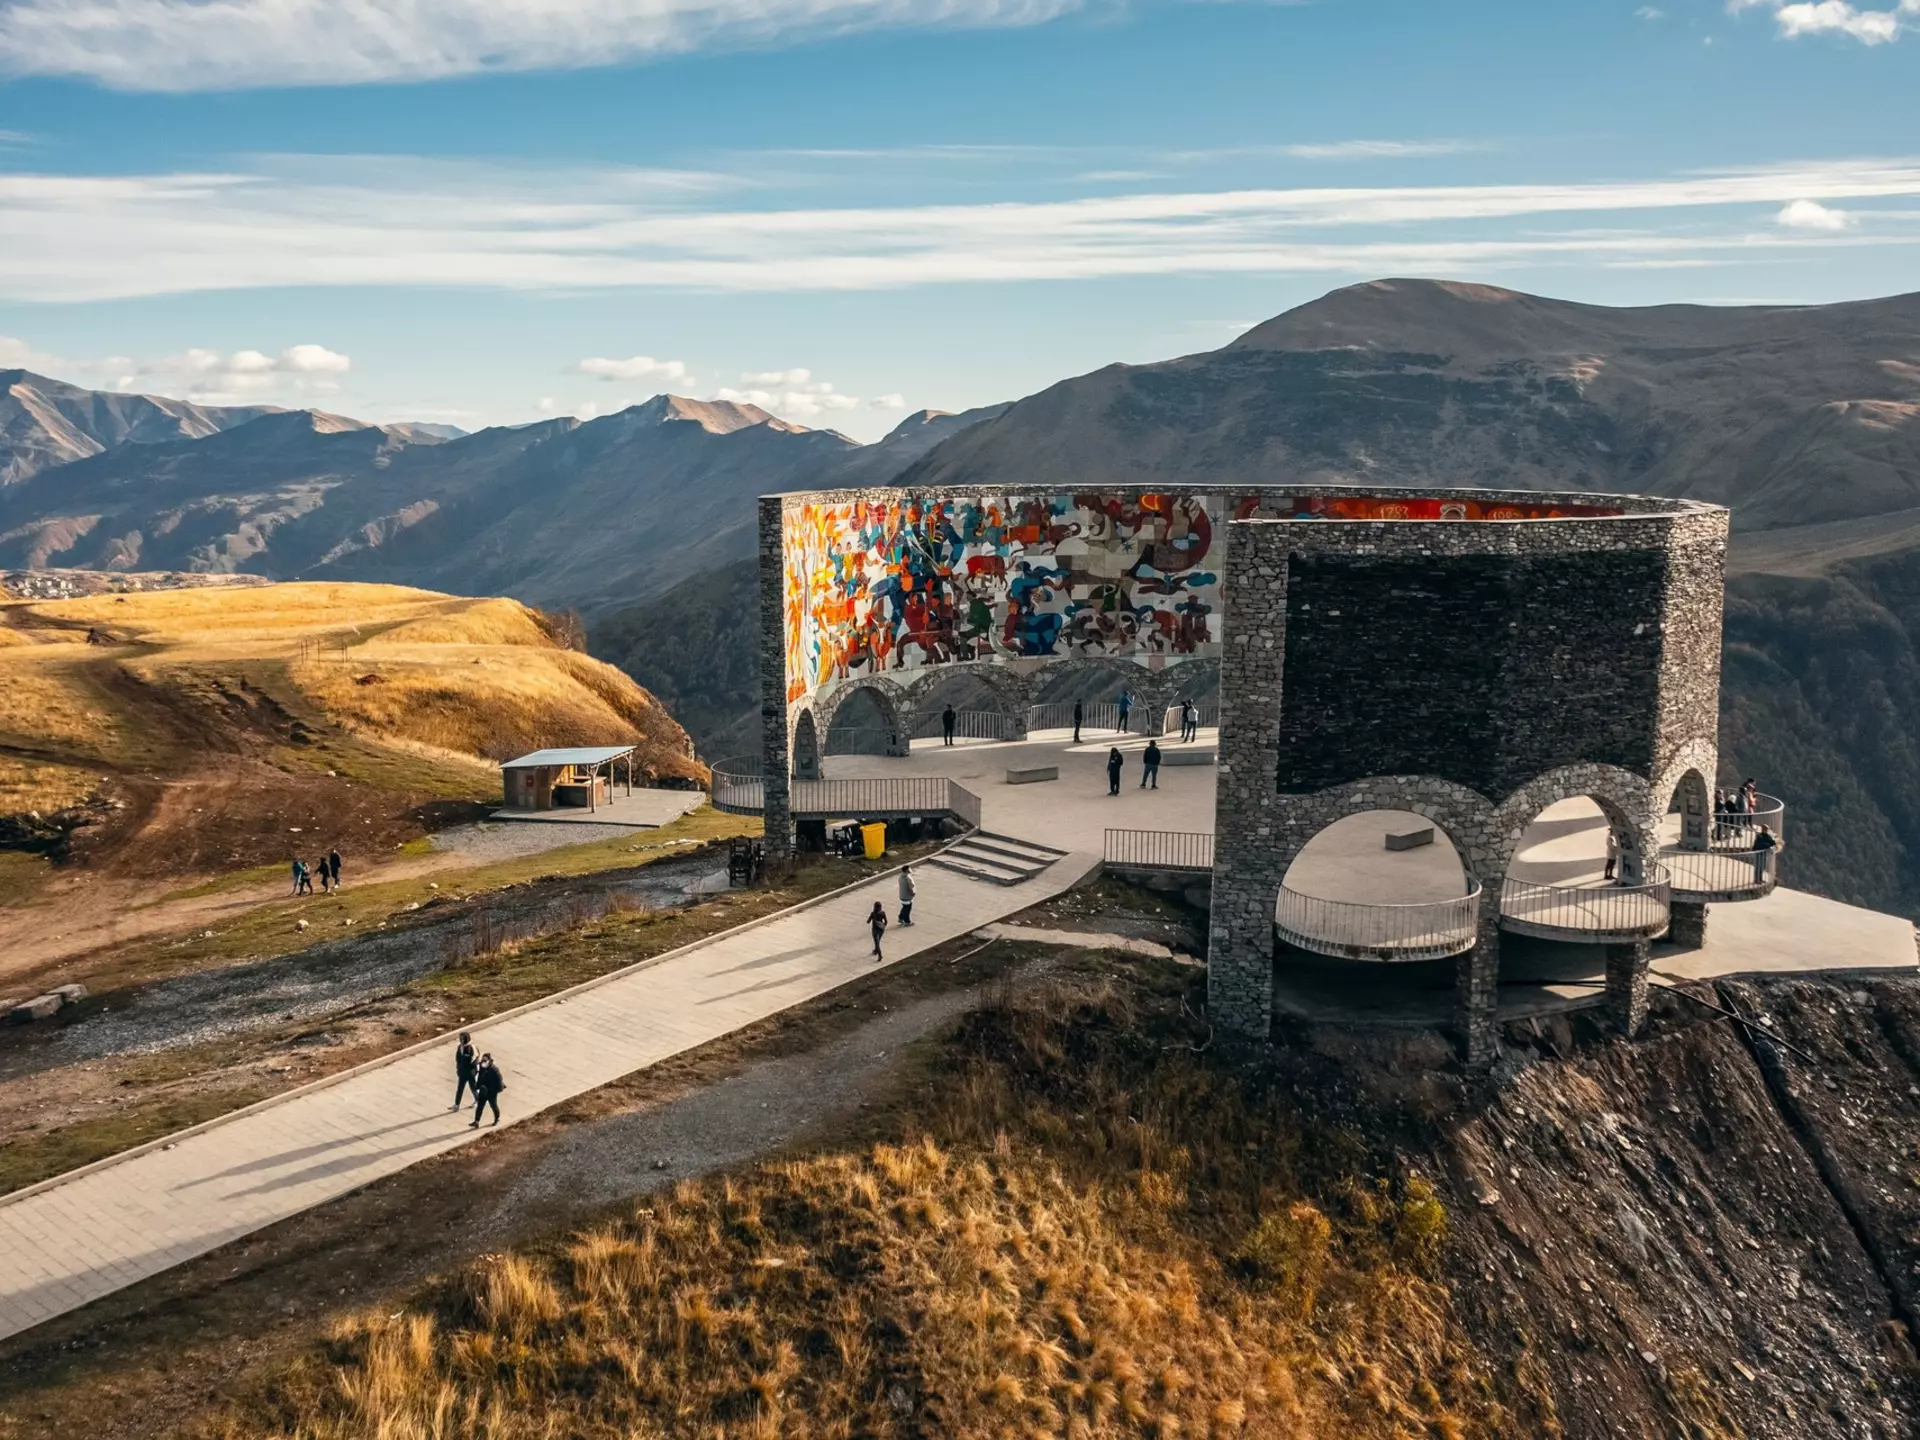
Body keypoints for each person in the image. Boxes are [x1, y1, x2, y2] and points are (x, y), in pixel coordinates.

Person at [468, 1052, 504, 1128]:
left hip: (491, 1091)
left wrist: (496, 1090)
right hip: (483, 1090)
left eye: (485, 1060)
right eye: (482, 1060)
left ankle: (497, 1119)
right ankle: (476, 1121)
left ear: (489, 1060)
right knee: (480, 1106)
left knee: (493, 1105)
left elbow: (499, 1080)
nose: (483, 1062)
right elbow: (480, 1077)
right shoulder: (482, 1067)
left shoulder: (494, 1069)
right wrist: (478, 1086)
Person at [451, 1031, 477, 1111]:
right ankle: (457, 1105)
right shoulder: (460, 1047)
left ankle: (478, 1100)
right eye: (460, 1038)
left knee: (473, 1088)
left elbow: (473, 1061)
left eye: (462, 1039)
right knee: (460, 1089)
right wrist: (458, 1069)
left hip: (470, 1073)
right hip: (462, 1072)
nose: (460, 1040)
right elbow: (458, 1059)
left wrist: (466, 1059)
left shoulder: (471, 1048)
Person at [897, 863, 916, 927]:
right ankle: (907, 922)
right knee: (907, 909)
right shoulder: (908, 878)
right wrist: (913, 893)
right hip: (907, 896)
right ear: (906, 870)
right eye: (909, 868)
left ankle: (900, 918)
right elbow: (911, 886)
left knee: (904, 907)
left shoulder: (900, 877)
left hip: (902, 895)